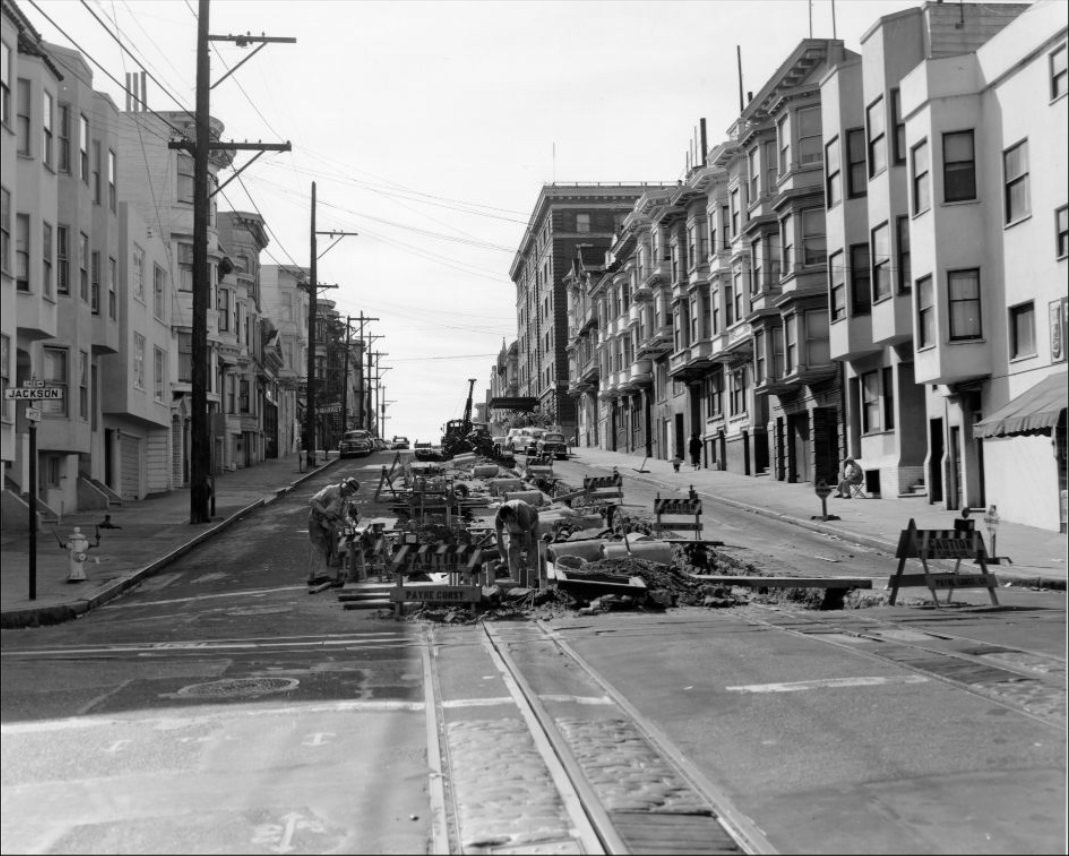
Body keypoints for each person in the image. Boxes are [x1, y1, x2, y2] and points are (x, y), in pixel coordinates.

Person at [307, 477, 360, 583]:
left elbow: (342, 516)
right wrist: (324, 512)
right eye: (348, 491)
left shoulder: (344, 499)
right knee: (319, 545)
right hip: (316, 519)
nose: (348, 494)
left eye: (350, 493)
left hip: (327, 524)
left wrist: (349, 525)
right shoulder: (330, 490)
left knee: (323, 547)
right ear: (345, 486)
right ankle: (320, 575)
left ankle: (313, 576)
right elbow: (313, 501)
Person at [494, 498, 541, 587]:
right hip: (514, 532)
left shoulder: (521, 513)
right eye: (505, 522)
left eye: (509, 520)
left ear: (512, 514)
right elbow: (499, 538)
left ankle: (532, 582)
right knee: (512, 551)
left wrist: (524, 554)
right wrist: (503, 556)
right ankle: (515, 581)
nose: (507, 523)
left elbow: (528, 536)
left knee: (533, 553)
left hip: (531, 527)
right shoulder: (499, 517)